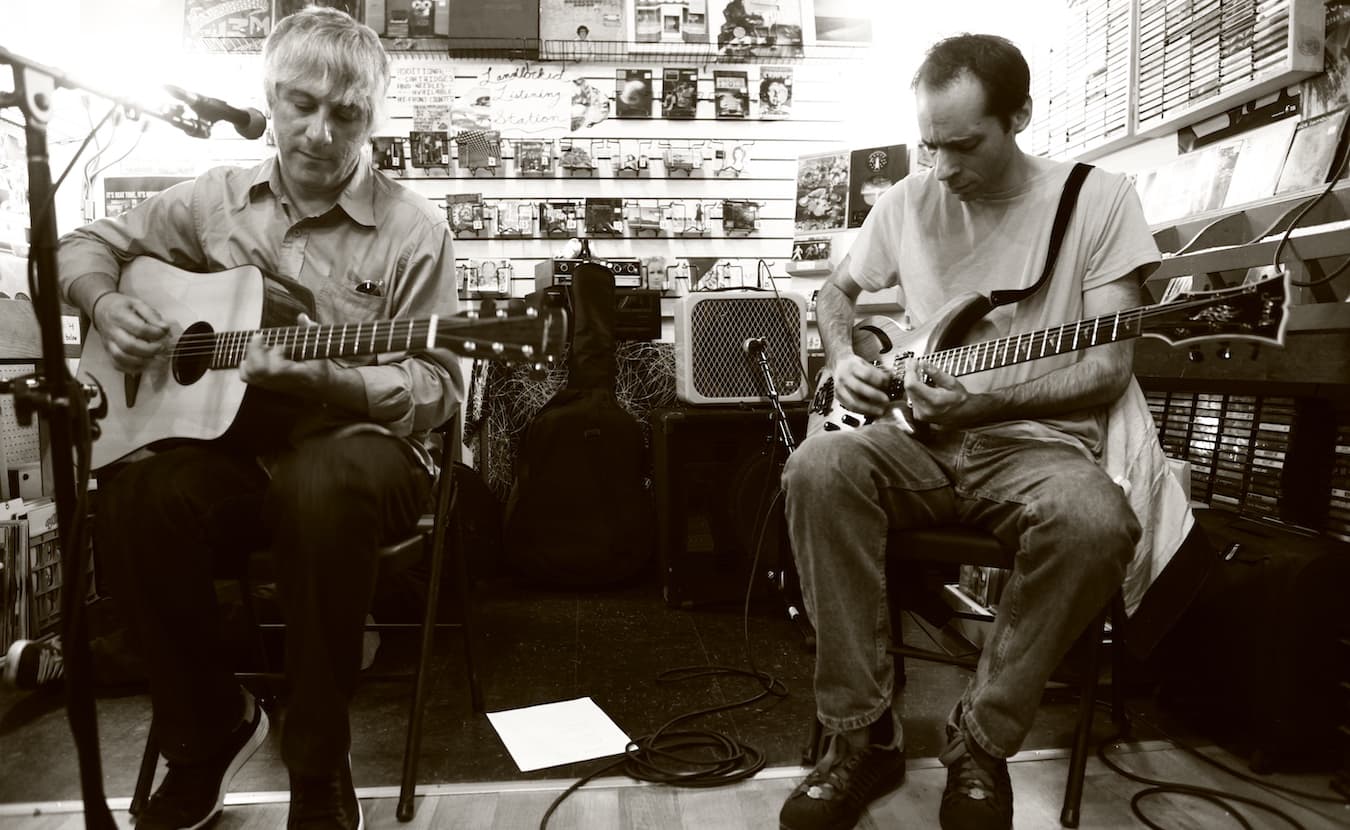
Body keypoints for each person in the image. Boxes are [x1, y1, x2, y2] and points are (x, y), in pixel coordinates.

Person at [57, 8, 461, 830]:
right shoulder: (211, 202)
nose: (318, 133)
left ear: (374, 115)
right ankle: (209, 731)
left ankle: (317, 761)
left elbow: (435, 388)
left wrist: (327, 374)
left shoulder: (416, 230)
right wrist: (105, 302)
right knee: (136, 500)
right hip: (231, 445)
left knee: (322, 488)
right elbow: (80, 244)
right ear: (267, 98)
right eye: (299, 104)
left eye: (346, 114)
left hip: (359, 452)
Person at [778, 34, 1159, 830]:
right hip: (915, 438)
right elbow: (835, 294)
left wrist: (982, 405)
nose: (943, 168)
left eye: (964, 144)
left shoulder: (1099, 199)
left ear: (1018, 115)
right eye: (930, 145)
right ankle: (863, 737)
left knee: (1095, 523)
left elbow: (1107, 370)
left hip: (1038, 445)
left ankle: (979, 742)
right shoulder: (908, 200)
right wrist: (844, 356)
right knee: (818, 468)